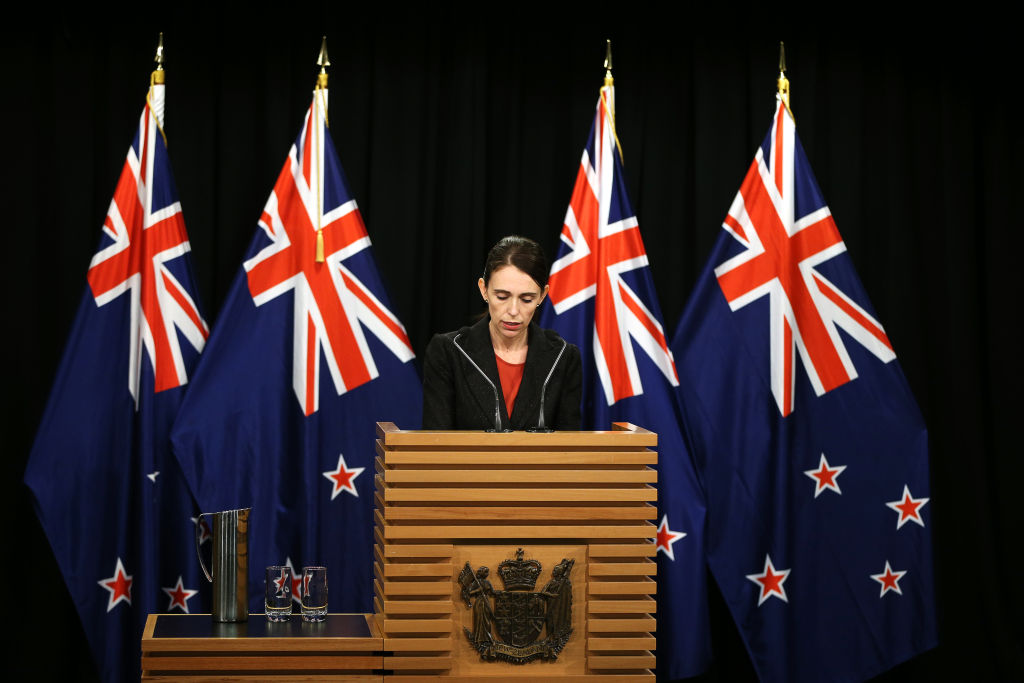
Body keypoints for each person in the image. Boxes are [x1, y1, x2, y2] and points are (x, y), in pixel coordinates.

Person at [422, 236, 582, 430]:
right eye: (502, 296)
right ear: (484, 290)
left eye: (527, 299)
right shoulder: (449, 352)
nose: (513, 311)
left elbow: (570, 447)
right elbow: (435, 444)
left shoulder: (563, 356)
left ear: (542, 295)